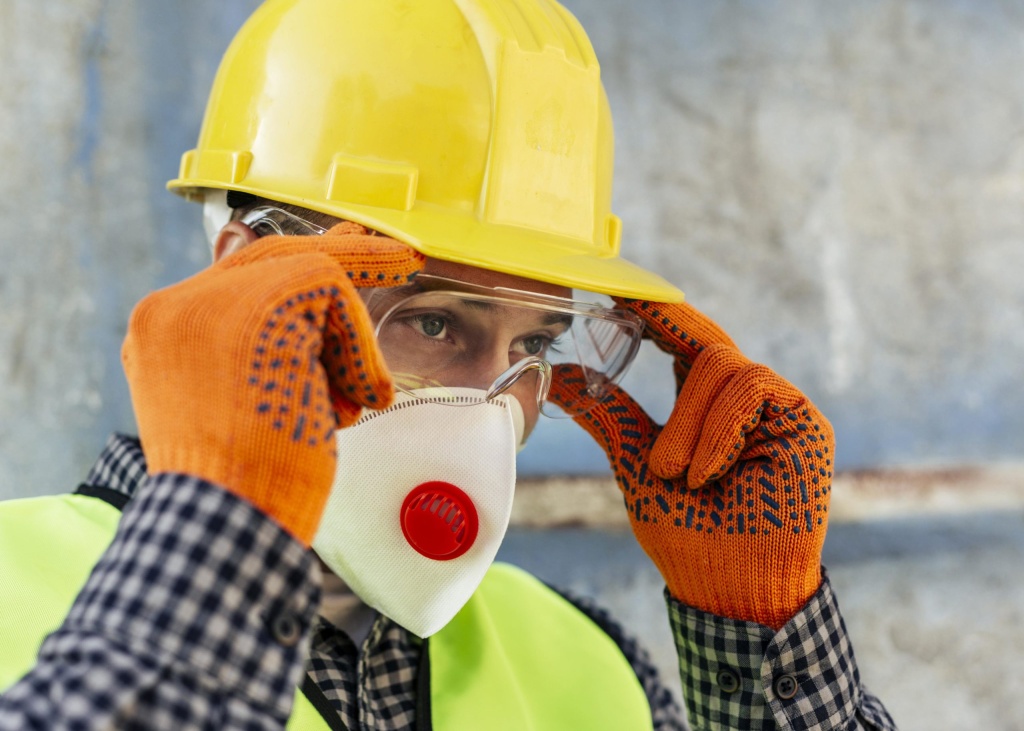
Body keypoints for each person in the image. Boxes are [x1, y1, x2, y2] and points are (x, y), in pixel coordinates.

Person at [0, 0, 898, 728]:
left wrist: (764, 640)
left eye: (533, 345)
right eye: (431, 323)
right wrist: (228, 515)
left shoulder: (581, 667)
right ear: (242, 287)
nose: (486, 406)